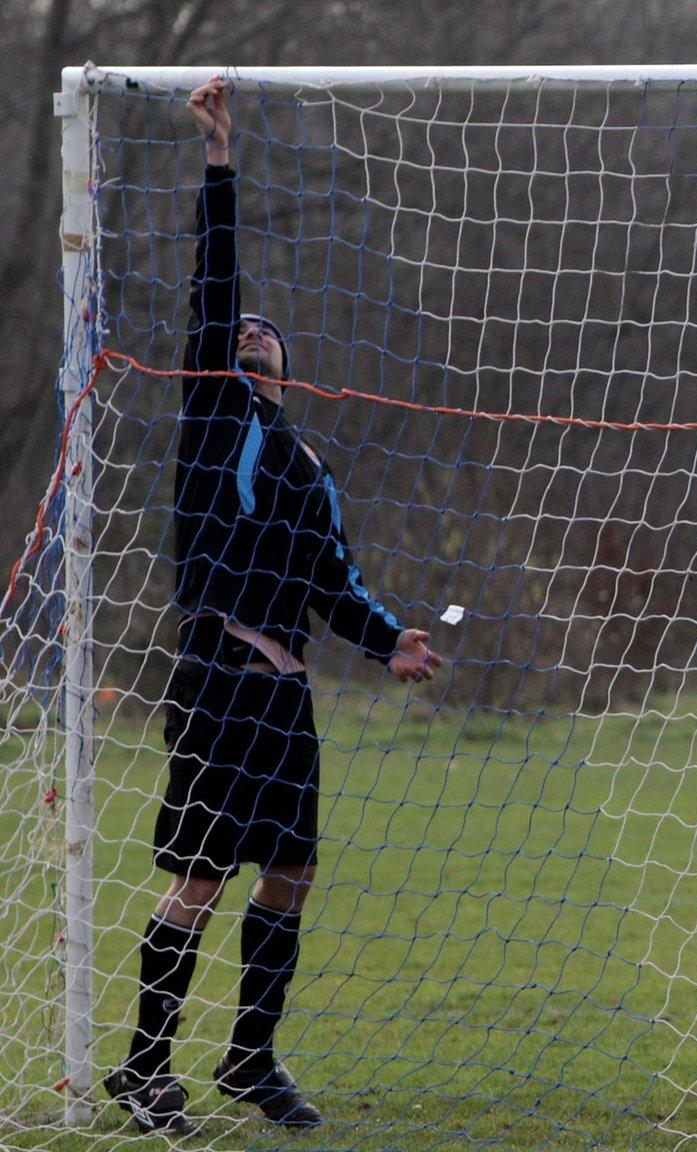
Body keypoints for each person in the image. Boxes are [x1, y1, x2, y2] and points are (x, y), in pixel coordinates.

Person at [101, 77, 445, 1136]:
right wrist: (218, 163)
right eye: (236, 336)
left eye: (265, 338)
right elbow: (217, 295)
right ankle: (146, 1070)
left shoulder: (306, 462)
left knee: (291, 874)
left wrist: (387, 641)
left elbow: (332, 584)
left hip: (287, 705)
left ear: (288, 369)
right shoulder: (213, 418)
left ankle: (249, 1058)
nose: (249, 338)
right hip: (219, 688)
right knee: (200, 879)